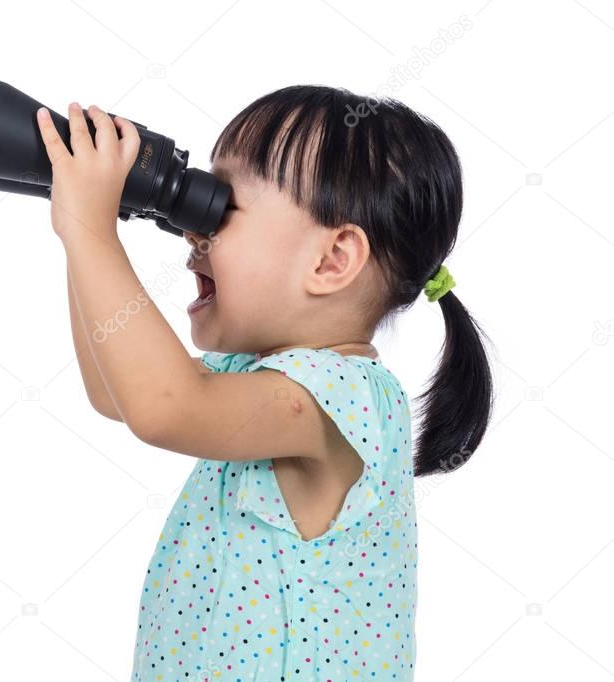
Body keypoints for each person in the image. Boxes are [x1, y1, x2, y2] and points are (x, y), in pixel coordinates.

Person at [35, 85, 494, 681]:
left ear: (331, 261)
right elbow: (115, 390)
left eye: (222, 207)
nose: (191, 232)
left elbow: (163, 407)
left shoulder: (336, 397)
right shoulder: (258, 380)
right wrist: (80, 235)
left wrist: (91, 230)